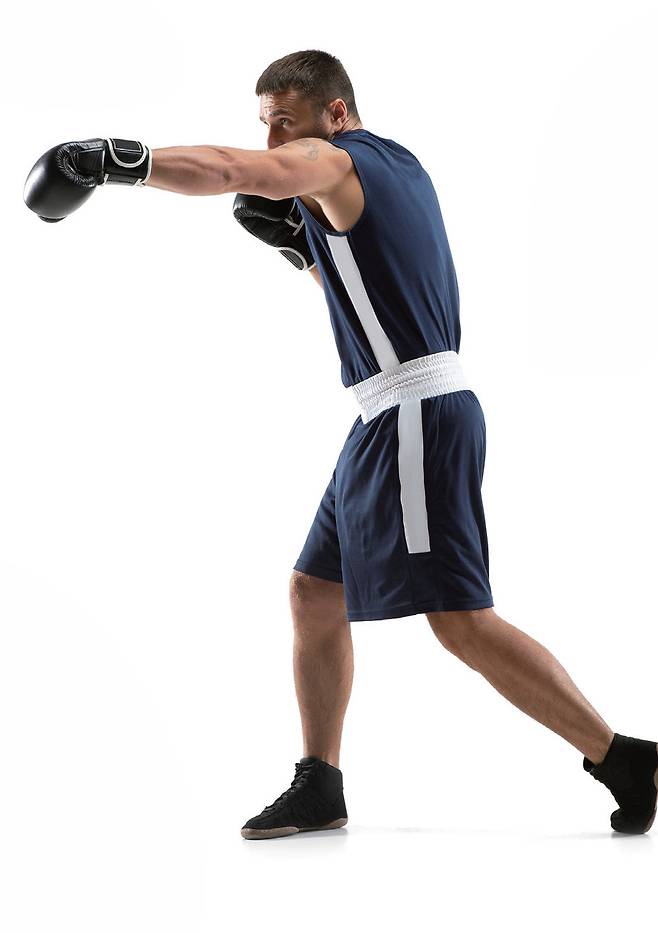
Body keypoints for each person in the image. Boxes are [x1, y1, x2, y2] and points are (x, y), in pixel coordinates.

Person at [23, 49, 658, 841]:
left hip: (415, 416)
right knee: (314, 592)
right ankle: (320, 781)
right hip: (387, 417)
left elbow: (231, 170)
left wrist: (116, 161)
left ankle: (621, 756)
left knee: (459, 619)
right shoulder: (399, 166)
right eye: (265, 124)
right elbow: (373, 288)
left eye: (285, 121)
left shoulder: (333, 159)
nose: (275, 140)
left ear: (335, 112)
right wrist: (303, 250)